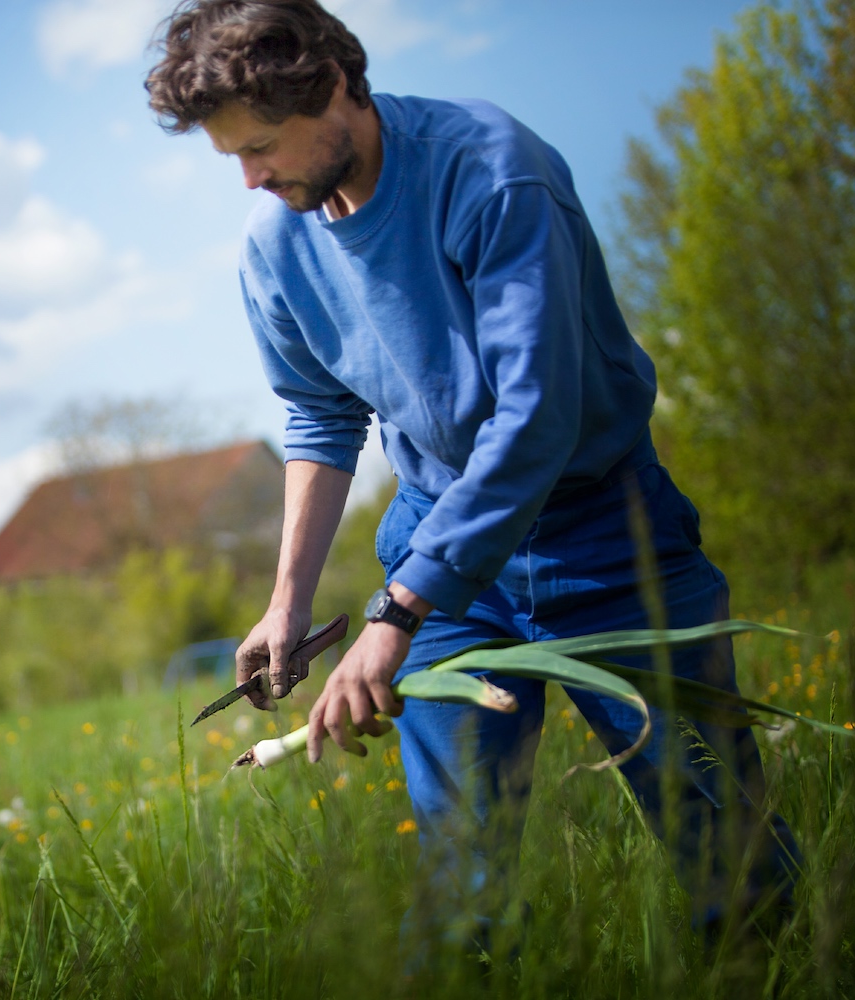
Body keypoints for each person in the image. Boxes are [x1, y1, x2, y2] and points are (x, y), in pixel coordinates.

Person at [145, 0, 799, 950]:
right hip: (442, 551)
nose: (251, 177)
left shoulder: (492, 173)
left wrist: (397, 612)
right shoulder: (276, 246)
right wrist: (287, 605)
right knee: (461, 882)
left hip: (605, 536)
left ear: (331, 86)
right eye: (232, 158)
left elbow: (538, 417)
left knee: (725, 848)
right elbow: (321, 418)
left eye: (263, 146)